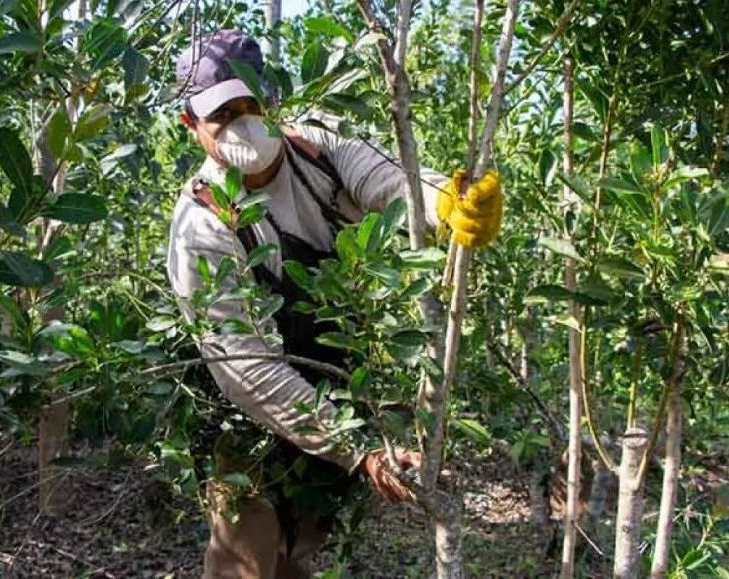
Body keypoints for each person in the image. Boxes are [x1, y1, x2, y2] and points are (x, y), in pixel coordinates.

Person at [166, 29, 502, 579]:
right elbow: (245, 370)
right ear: (191, 125)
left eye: (254, 103)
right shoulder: (202, 224)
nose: (244, 121)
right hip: (249, 413)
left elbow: (395, 183)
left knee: (305, 551)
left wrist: (449, 202)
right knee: (246, 558)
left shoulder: (320, 148)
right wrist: (358, 447)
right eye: (224, 113)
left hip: (337, 384)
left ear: (275, 100)